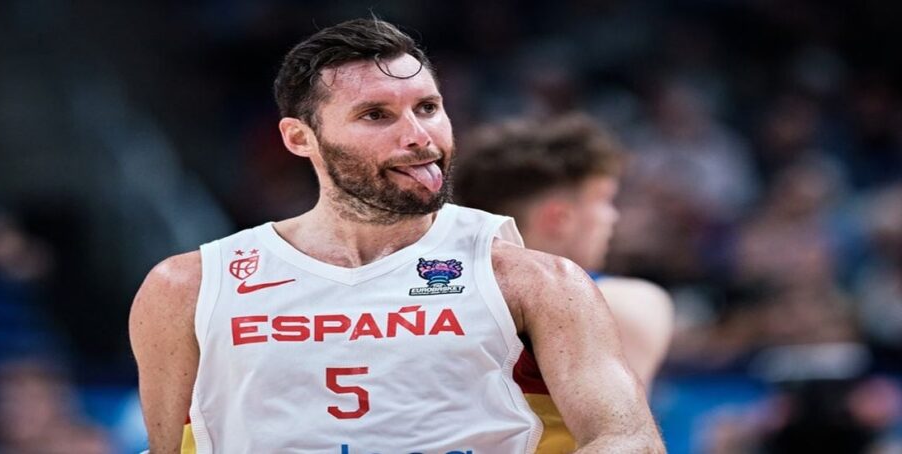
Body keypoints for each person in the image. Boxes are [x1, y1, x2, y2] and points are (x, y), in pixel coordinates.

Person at [129, 19, 663, 454]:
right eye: (376, 115)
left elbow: (629, 439)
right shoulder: (187, 287)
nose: (418, 135)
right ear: (300, 138)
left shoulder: (536, 281)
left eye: (427, 108)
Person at [455, 113, 674, 453]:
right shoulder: (632, 303)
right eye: (604, 201)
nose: (612, 217)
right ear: (558, 218)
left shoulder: (432, 299)